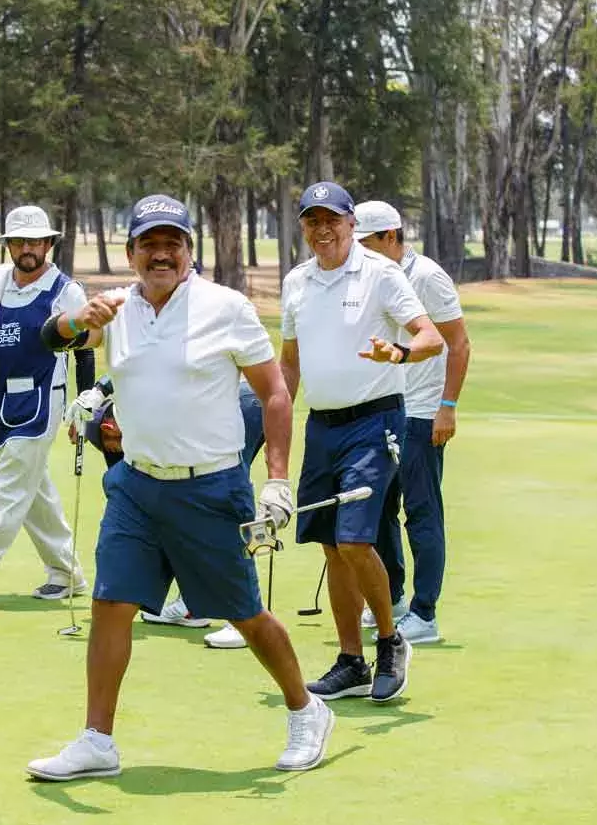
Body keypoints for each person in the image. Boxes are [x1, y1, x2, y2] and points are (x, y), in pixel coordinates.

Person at [27, 194, 333, 781]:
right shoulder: (116, 309)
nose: (161, 254)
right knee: (110, 603)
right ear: (131, 252)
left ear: (190, 252)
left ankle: (306, 708)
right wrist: (77, 320)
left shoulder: (227, 306)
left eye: (173, 244)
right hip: (137, 486)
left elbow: (274, 393)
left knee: (244, 613)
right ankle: (97, 740)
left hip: (210, 488)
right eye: (149, 244)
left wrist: (275, 480)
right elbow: (53, 337)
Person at [279, 182, 443, 703]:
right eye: (312, 220)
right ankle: (351, 661)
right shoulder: (297, 282)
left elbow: (430, 337)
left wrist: (397, 353)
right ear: (303, 226)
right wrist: (274, 423)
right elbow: (289, 361)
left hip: (375, 421)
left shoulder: (381, 272)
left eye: (332, 219)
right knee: (331, 545)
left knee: (354, 540)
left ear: (352, 224)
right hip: (321, 425)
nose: (322, 229)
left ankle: (390, 643)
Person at [0, 206, 95, 609]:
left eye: (35, 241)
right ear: (9, 245)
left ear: (48, 244)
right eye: (19, 242)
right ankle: (66, 573)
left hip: (43, 398)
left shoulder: (66, 291)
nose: (28, 249)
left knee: (10, 492)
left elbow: (85, 351)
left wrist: (85, 401)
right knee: (32, 491)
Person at [69, 377, 266, 647]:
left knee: (225, 496)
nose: (113, 449)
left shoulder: (139, 413)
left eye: (109, 443)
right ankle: (192, 606)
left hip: (239, 402)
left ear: (108, 426)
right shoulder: (134, 422)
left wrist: (97, 390)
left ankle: (241, 619)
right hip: (223, 402)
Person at [354, 201, 471, 645]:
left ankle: (425, 614)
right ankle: (395, 598)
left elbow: (458, 345)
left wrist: (448, 406)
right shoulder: (370, 276)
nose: (360, 252)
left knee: (421, 513)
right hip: (384, 409)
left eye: (367, 243)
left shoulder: (427, 277)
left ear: (390, 236)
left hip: (423, 413)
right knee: (379, 510)